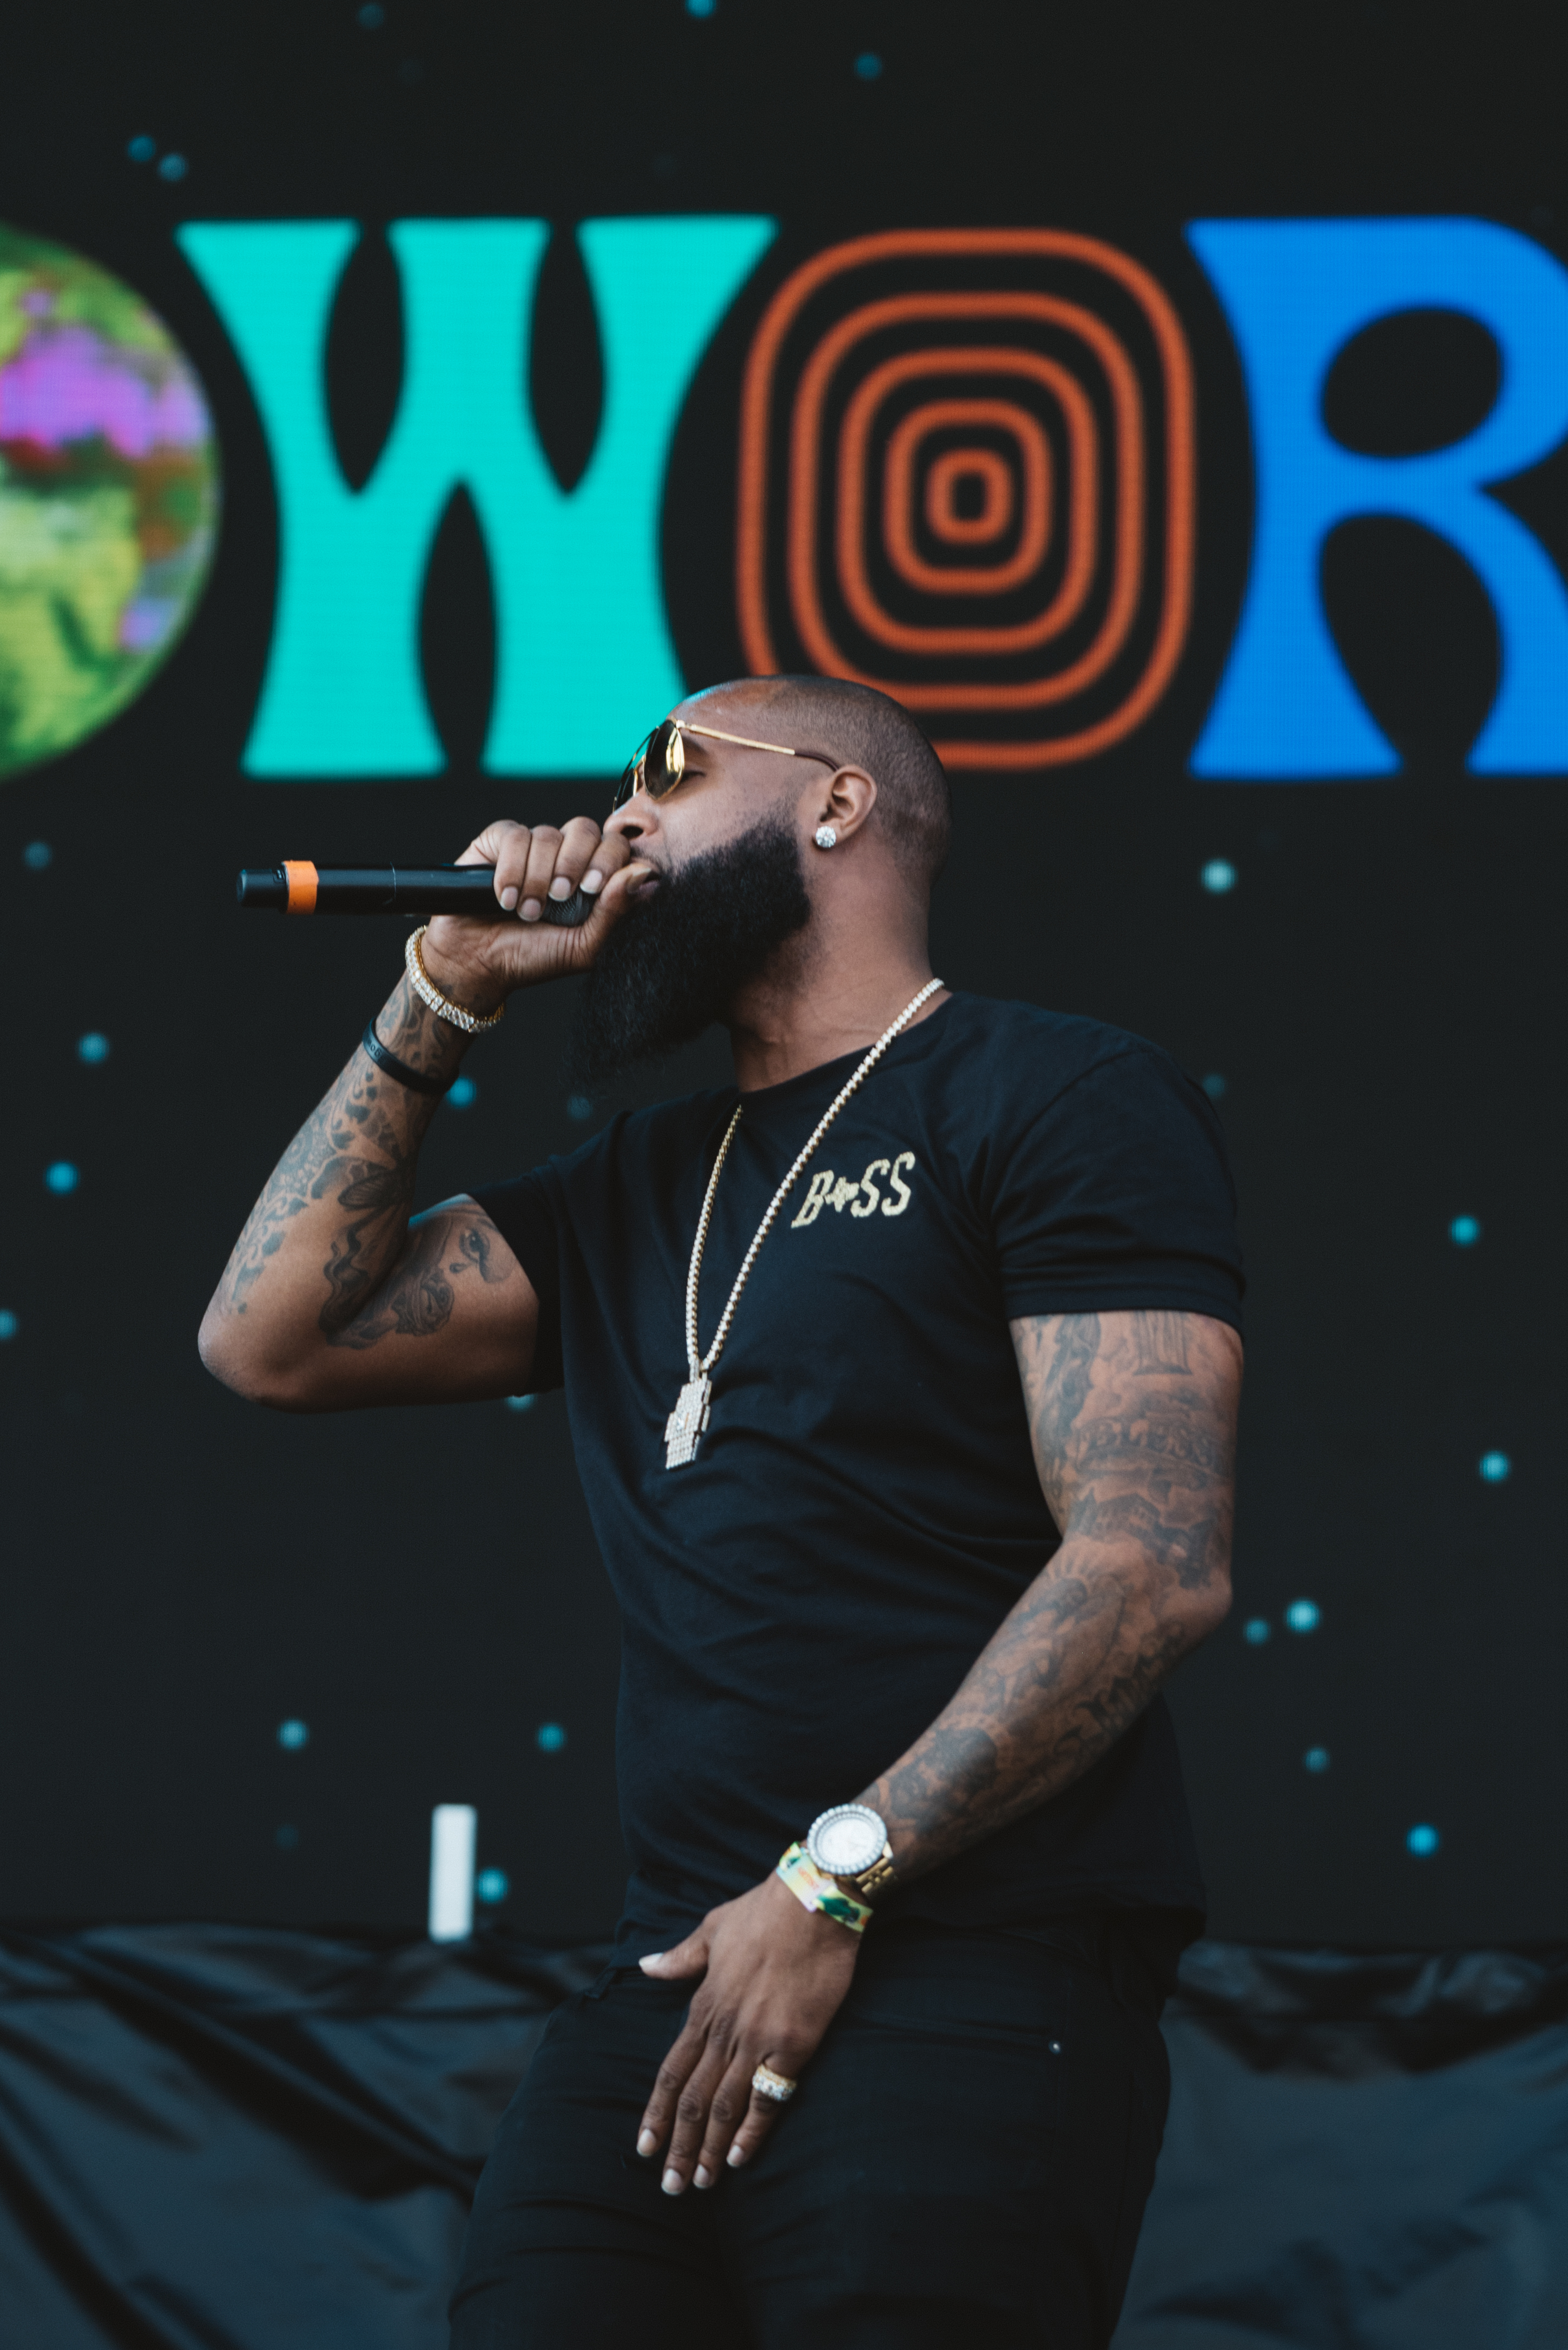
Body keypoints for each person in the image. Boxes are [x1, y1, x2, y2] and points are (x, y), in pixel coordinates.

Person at [199, 674, 1244, 2350]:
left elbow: (1151, 1562)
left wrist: (834, 1880)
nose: (616, 816)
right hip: (670, 1981)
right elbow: (271, 1339)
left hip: (970, 1965)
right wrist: (439, 994)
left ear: (833, 806)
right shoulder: (630, 1184)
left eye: (670, 770)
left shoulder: (1050, 1095)